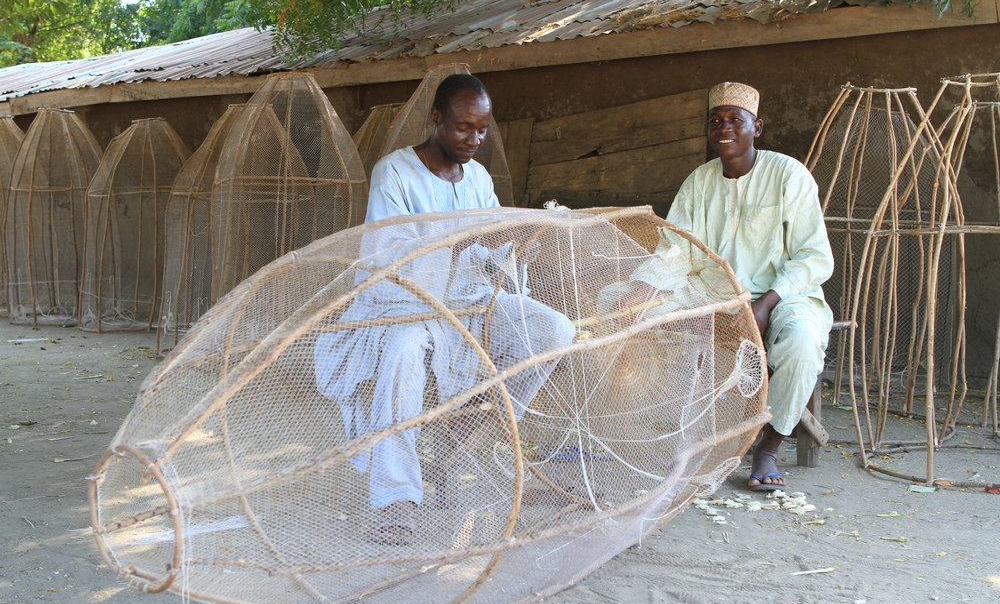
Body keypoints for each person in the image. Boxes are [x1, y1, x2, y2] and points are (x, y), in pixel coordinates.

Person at [313, 73, 575, 542]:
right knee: (403, 352)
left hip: (467, 304)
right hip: (401, 307)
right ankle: (396, 496)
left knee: (553, 329)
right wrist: (466, 242)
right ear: (435, 118)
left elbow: (490, 257)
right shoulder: (394, 172)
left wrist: (521, 243)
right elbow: (391, 259)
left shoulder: (477, 178)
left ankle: (457, 447)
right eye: (462, 127)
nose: (473, 139)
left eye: (481, 129)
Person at [619, 82, 833, 492]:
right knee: (620, 305)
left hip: (783, 293)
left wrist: (766, 304)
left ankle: (769, 445)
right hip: (712, 291)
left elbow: (814, 257)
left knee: (803, 344)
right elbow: (676, 250)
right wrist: (643, 290)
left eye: (736, 119)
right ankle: (662, 432)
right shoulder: (699, 182)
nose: (725, 127)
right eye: (716, 120)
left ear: (757, 127)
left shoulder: (788, 174)